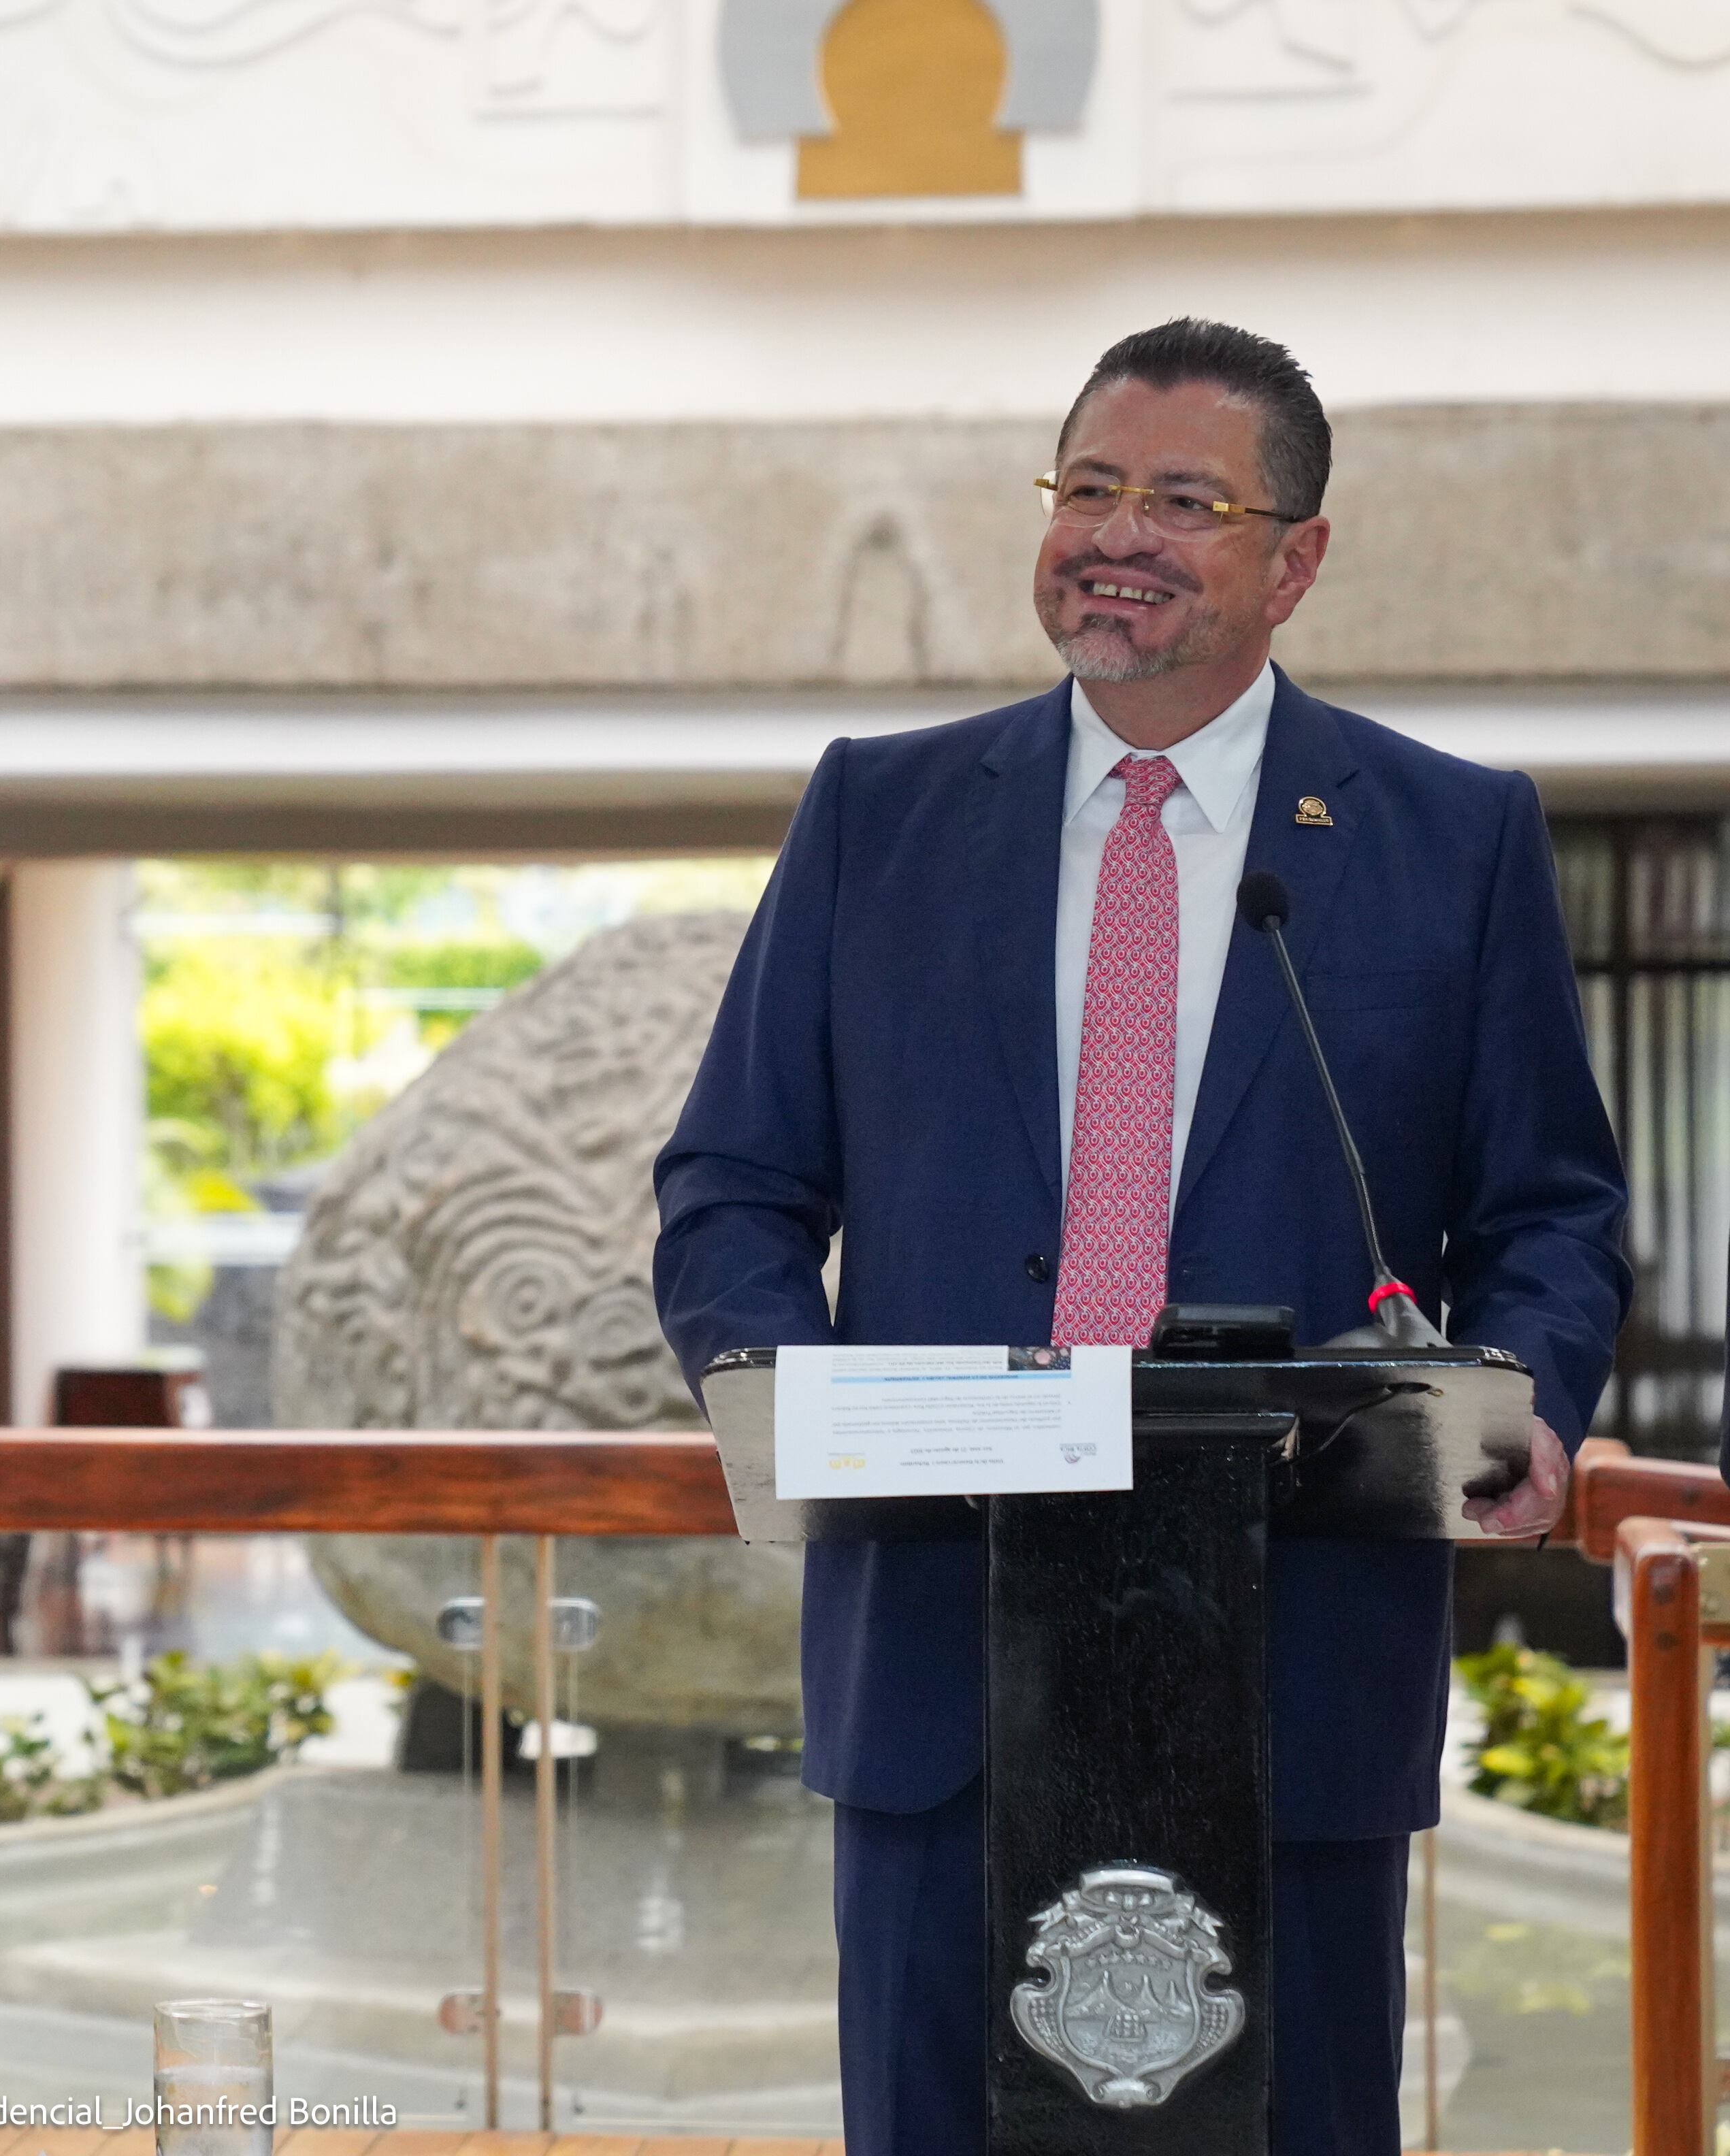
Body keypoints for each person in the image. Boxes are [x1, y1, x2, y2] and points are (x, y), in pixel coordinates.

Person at [652, 320, 1629, 2155]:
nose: (1118, 533)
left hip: (1299, 1656)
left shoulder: (1449, 838)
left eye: (1185, 501)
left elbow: (1548, 1211)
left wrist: (1531, 1401)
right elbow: (733, 1182)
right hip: (946, 1654)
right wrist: (786, 1392)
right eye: (1088, 486)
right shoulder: (878, 814)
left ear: (1296, 560)